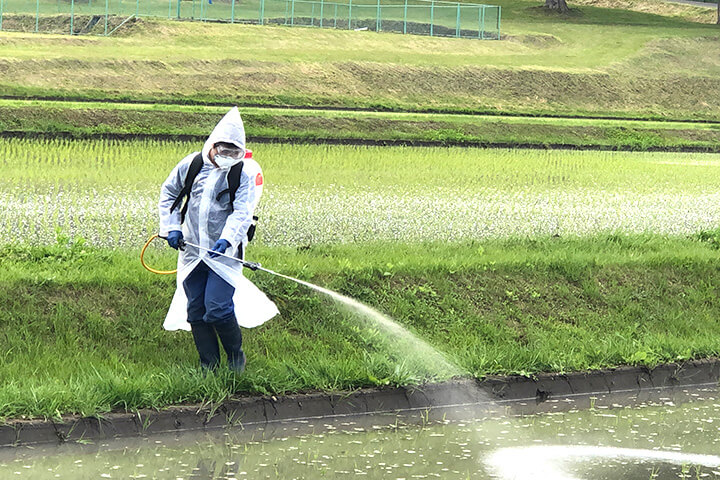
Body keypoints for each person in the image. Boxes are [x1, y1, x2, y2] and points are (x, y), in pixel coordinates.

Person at [158, 107, 278, 372]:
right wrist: (172, 227)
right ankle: (208, 365)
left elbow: (242, 212)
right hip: (191, 250)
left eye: (234, 153)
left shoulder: (241, 174)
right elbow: (169, 194)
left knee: (218, 308)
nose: (228, 158)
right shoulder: (191, 165)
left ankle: (235, 355)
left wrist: (227, 240)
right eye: (224, 151)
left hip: (223, 253)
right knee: (196, 311)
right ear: (213, 146)